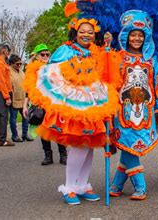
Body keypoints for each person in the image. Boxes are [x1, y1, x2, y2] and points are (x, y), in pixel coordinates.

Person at [24, 18, 118, 205]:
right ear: (75, 32)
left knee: (90, 146)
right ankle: (69, 187)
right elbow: (50, 72)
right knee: (79, 144)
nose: (86, 35)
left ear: (95, 35)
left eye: (90, 32)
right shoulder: (65, 50)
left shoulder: (96, 52)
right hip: (73, 104)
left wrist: (107, 48)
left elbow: (106, 73)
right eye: (82, 31)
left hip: (93, 104)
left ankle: (82, 186)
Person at [110, 10, 158, 200]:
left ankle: (117, 185)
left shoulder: (151, 60)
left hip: (146, 113)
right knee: (128, 145)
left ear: (146, 38)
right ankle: (140, 186)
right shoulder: (117, 58)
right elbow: (110, 84)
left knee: (129, 147)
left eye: (140, 35)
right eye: (133, 34)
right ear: (126, 36)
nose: (136, 38)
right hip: (122, 112)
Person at [23, 44, 67, 165]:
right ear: (37, 56)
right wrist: (25, 105)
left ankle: (63, 155)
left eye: (48, 54)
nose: (46, 56)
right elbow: (29, 90)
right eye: (42, 54)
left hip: (55, 103)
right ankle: (48, 156)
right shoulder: (33, 71)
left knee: (58, 129)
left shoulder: (54, 67)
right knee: (44, 130)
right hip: (40, 104)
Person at [8, 54, 33, 142]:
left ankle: (25, 134)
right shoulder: (8, 72)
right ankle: (15, 136)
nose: (19, 65)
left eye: (20, 64)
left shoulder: (22, 72)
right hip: (14, 98)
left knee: (25, 117)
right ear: (11, 63)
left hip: (23, 99)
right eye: (17, 64)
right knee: (13, 118)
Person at [0, 43, 14, 146]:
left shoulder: (1, 62)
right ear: (4, 51)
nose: (8, 53)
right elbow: (1, 81)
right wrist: (7, 97)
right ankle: (2, 140)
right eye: (8, 51)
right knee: (3, 115)